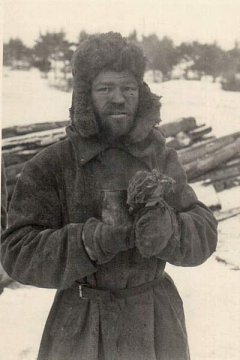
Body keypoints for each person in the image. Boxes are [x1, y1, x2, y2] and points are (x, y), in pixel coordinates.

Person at [1, 32, 218, 360]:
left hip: (155, 327)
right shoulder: (52, 165)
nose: (119, 98)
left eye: (128, 88)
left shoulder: (159, 156)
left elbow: (204, 230)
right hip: (80, 325)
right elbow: (16, 251)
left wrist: (170, 230)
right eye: (106, 88)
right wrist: (89, 242)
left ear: (140, 94)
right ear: (86, 96)